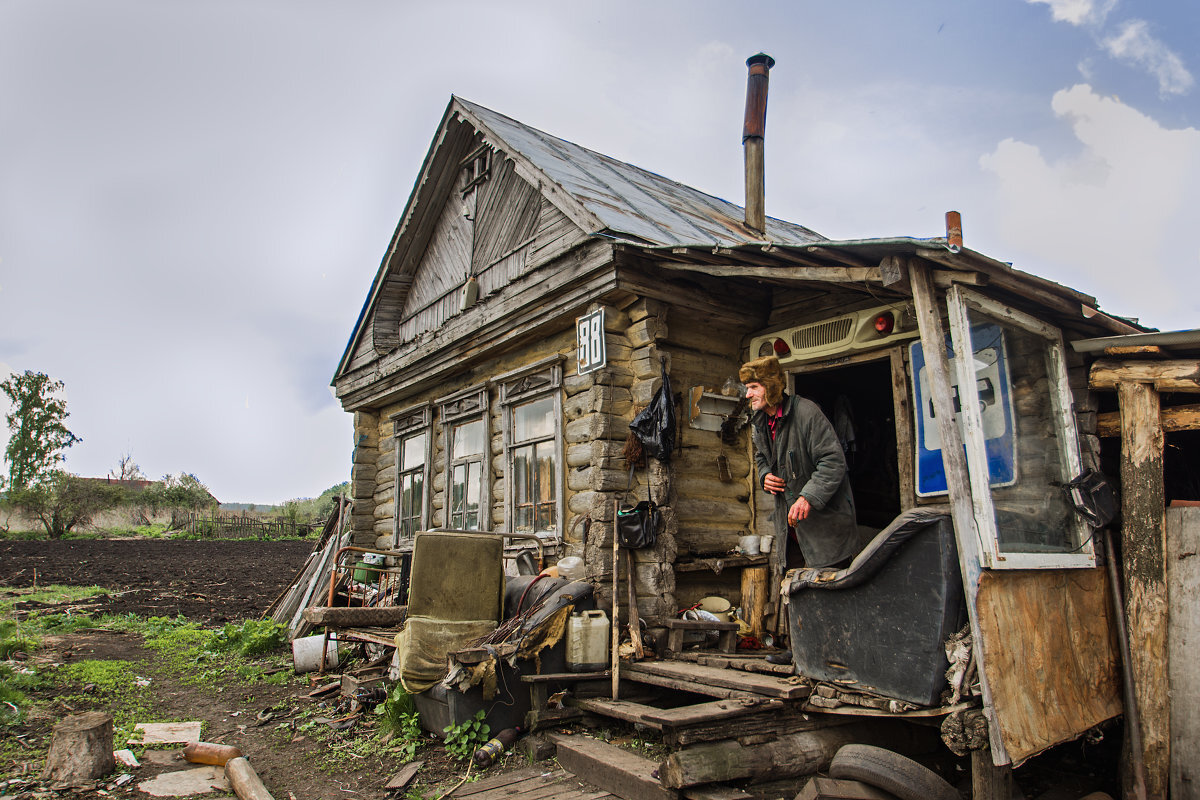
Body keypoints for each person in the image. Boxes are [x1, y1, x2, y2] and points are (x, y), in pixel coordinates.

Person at [740, 355, 862, 665]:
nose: (748, 394)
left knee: (828, 584)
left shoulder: (807, 413)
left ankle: (838, 655)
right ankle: (801, 652)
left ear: (770, 387)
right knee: (794, 583)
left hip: (823, 520)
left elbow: (834, 462)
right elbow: (761, 459)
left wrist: (808, 497)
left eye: (753, 387)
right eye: (747, 388)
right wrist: (765, 473)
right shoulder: (759, 421)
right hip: (790, 523)